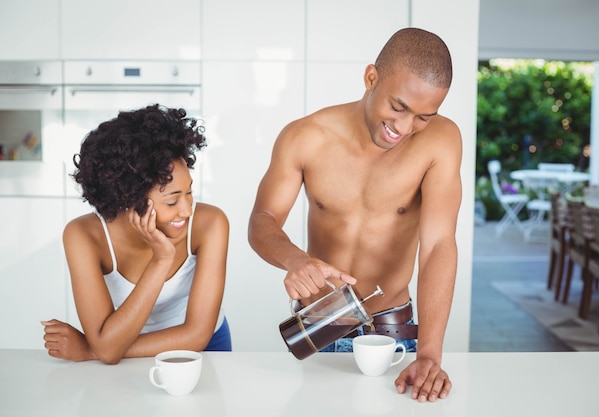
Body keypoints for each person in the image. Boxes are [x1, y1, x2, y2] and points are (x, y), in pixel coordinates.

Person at [248, 28, 460, 402]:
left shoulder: (441, 140)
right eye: (398, 107)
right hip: (319, 326)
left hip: (393, 333)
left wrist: (429, 353)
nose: (405, 128)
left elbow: (439, 245)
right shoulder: (305, 137)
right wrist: (294, 260)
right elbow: (262, 219)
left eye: (424, 117)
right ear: (371, 78)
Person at [42, 104, 231, 364]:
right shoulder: (83, 236)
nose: (187, 210)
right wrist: (161, 260)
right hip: (123, 347)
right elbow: (108, 348)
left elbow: (197, 334)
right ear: (128, 198)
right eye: (172, 201)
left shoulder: (211, 224)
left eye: (189, 192)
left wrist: (93, 349)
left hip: (201, 349)